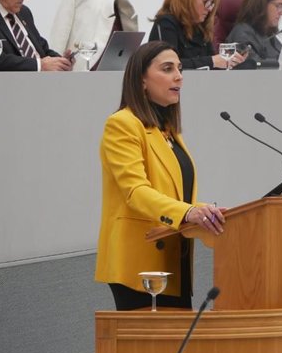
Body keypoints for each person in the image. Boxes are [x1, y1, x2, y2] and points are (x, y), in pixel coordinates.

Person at [95, 41, 226, 310]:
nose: (179, 75)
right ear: (141, 80)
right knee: (152, 352)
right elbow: (136, 191)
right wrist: (188, 212)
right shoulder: (122, 124)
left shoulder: (167, 129)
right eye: (167, 69)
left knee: (175, 350)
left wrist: (203, 210)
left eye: (179, 68)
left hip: (173, 259)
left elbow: (173, 194)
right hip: (140, 264)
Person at [148, 0, 246, 70]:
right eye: (206, 1)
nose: (210, 9)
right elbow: (169, 66)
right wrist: (212, 61)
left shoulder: (201, 28)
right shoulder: (166, 23)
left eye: (211, 3)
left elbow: (213, 66)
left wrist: (231, 62)